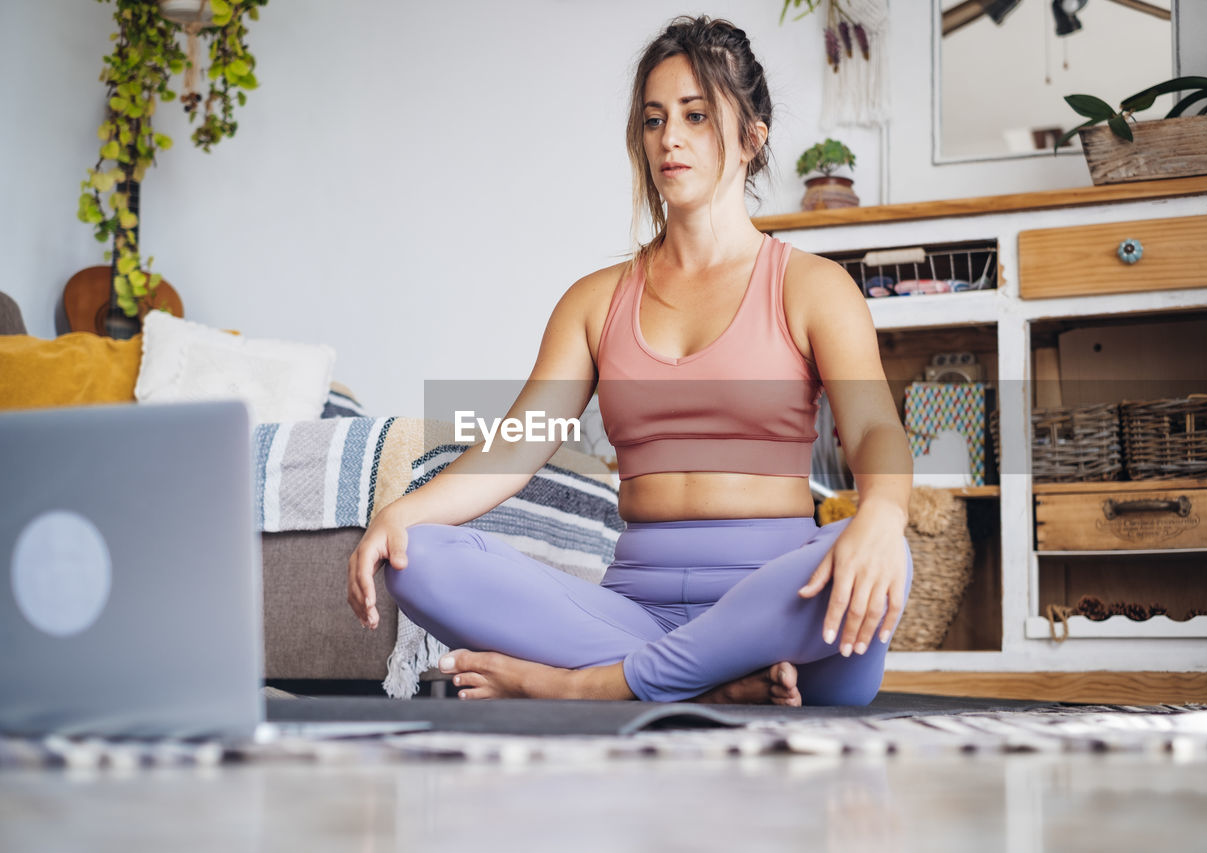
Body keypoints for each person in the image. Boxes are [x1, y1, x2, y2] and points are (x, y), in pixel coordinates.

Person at [347, 15, 912, 706]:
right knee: (419, 557)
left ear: (752, 137)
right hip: (630, 615)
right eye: (653, 119)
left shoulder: (815, 287)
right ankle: (704, 684)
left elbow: (875, 429)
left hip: (779, 614)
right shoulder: (594, 301)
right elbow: (517, 444)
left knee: (887, 551)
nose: (669, 138)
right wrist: (401, 515)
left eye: (696, 115)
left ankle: (583, 686)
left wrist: (883, 512)